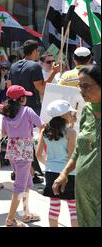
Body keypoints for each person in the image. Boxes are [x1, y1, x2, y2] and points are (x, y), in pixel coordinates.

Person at [53, 65, 101, 227]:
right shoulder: (86, 111)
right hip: (83, 190)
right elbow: (80, 149)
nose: (81, 91)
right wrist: (64, 173)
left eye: (86, 86)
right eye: (80, 85)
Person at [2, 85, 44, 227]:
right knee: (20, 186)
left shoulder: (6, 114)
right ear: (21, 99)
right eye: (24, 96)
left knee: (27, 182)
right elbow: (41, 125)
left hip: (12, 150)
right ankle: (10, 219)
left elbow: (4, 132)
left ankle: (26, 213)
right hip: (25, 151)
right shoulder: (27, 111)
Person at [36, 100, 78, 227]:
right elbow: (72, 157)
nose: (72, 114)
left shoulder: (45, 131)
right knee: (73, 209)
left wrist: (49, 164)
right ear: (64, 115)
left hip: (50, 172)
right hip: (68, 174)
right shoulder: (71, 133)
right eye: (70, 112)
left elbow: (38, 154)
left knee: (54, 207)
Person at [7, 40, 60, 115]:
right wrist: (54, 72)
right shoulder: (35, 66)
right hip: (32, 109)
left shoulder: (13, 66)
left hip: (16, 108)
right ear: (34, 51)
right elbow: (42, 89)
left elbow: (9, 87)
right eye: (37, 50)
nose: (38, 53)